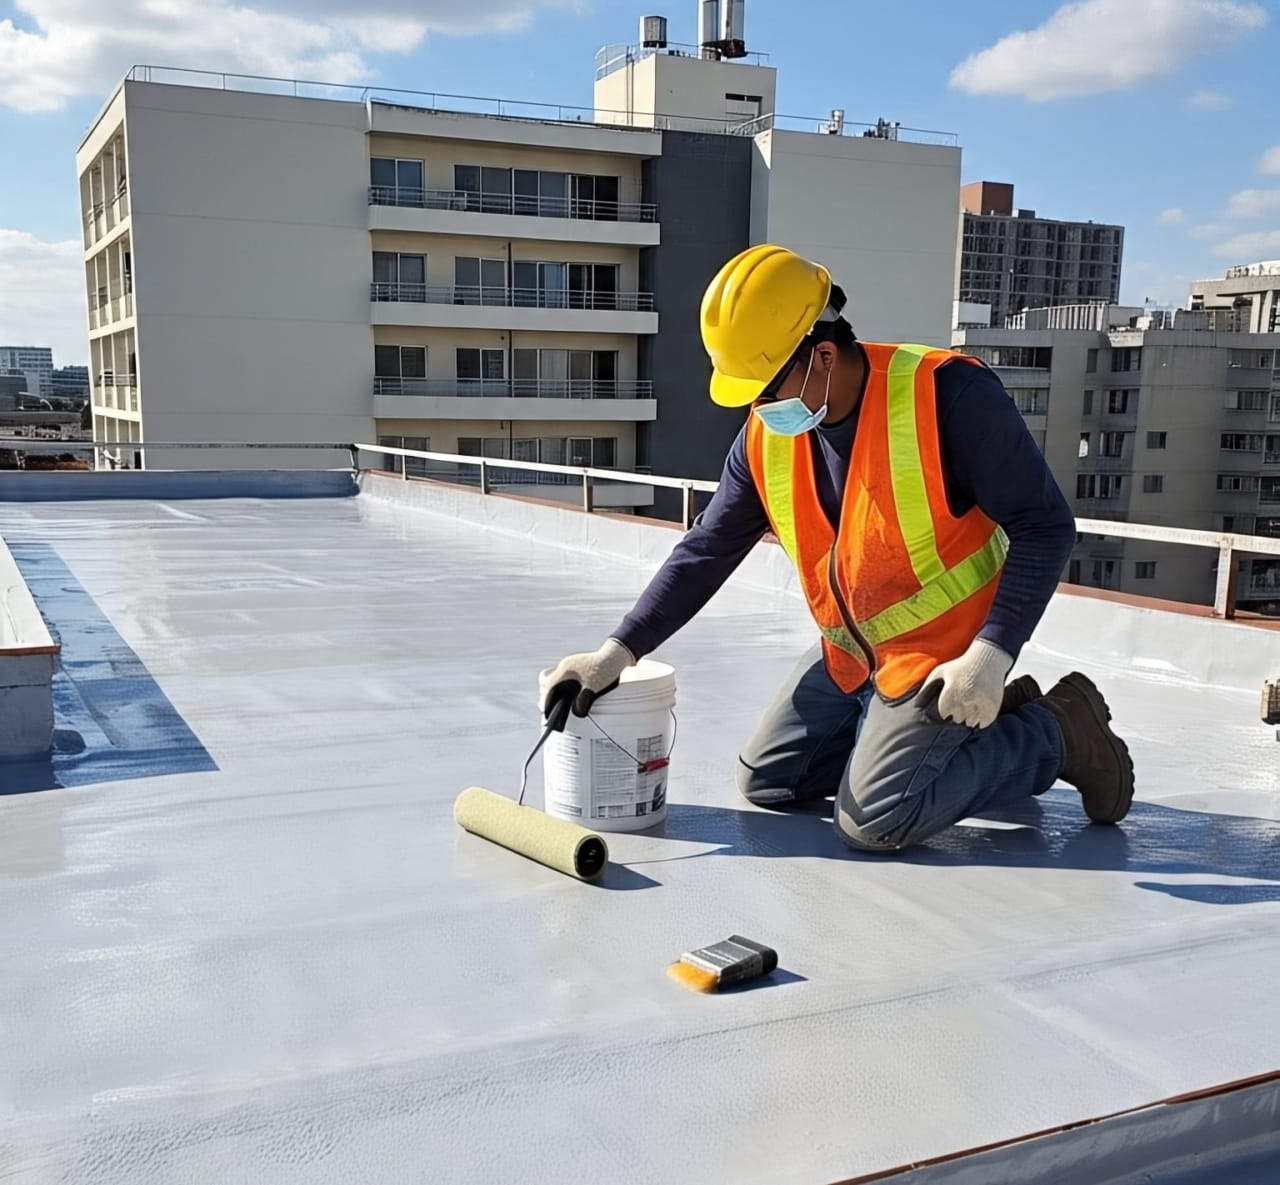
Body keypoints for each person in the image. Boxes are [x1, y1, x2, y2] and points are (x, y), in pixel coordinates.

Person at [541, 244, 1134, 852]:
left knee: (875, 821)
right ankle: (963, 727)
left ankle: (1058, 731)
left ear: (823, 355)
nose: (758, 407)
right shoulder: (765, 437)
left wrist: (991, 656)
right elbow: (708, 548)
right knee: (766, 782)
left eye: (766, 387)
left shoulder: (946, 396)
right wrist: (617, 651)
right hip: (852, 654)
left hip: (943, 649)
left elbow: (1046, 525)